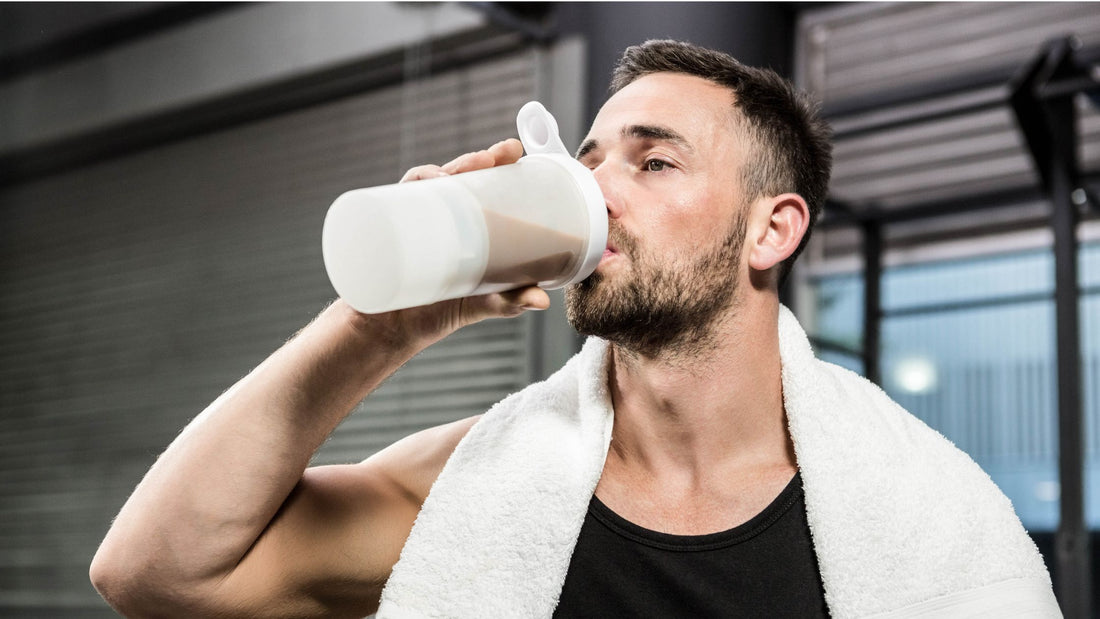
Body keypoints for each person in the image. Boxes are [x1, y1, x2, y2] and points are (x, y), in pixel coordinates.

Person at [90, 40, 1057, 618]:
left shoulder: (921, 511)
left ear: (772, 228)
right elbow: (156, 574)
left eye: (655, 162)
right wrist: (376, 324)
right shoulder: (480, 481)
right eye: (589, 161)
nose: (595, 192)